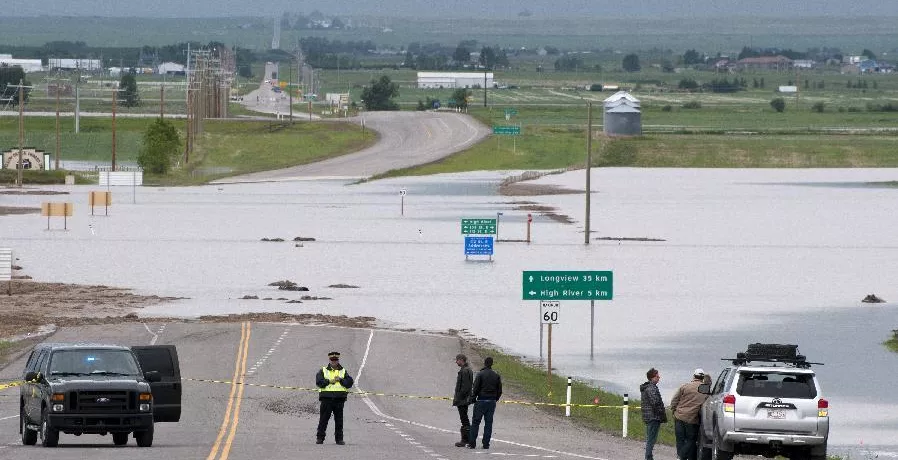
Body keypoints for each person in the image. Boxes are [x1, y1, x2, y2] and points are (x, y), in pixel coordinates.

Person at [315, 351, 354, 445]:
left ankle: (339, 439)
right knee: (323, 420)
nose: (334, 362)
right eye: (332, 360)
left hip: (339, 399)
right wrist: (329, 381)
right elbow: (319, 382)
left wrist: (341, 380)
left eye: (335, 360)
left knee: (339, 420)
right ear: (329, 360)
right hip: (326, 399)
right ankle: (320, 438)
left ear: (338, 360)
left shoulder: (343, 371)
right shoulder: (323, 370)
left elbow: (349, 383)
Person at [670, 369, 710, 460]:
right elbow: (706, 403)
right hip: (692, 419)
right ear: (702, 378)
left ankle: (680, 456)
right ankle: (681, 457)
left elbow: (674, 400)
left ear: (694, 376)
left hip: (679, 416)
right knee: (691, 440)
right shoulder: (705, 389)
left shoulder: (685, 386)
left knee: (680, 440)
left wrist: (673, 411)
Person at [468, 356, 502, 450]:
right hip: (491, 402)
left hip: (481, 400)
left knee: (475, 422)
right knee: (488, 423)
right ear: (492, 364)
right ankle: (486, 444)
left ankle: (472, 443)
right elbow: (499, 390)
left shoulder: (480, 374)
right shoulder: (496, 375)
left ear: (484, 363)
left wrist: (473, 398)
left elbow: (475, 388)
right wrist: (495, 399)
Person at [640, 367, 667, 460]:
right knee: (651, 439)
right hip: (653, 417)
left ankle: (649, 456)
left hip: (649, 416)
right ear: (652, 377)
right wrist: (661, 413)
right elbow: (655, 402)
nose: (659, 377)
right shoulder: (651, 388)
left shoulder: (648, 387)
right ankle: (648, 457)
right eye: (657, 376)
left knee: (650, 438)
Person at [451, 353, 474, 447]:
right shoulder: (467, 370)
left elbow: (465, 387)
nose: (456, 362)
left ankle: (465, 440)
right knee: (464, 419)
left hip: (463, 400)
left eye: (457, 360)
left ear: (461, 360)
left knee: (464, 419)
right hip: (465, 399)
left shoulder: (464, 371)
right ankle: (467, 439)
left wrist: (459, 397)